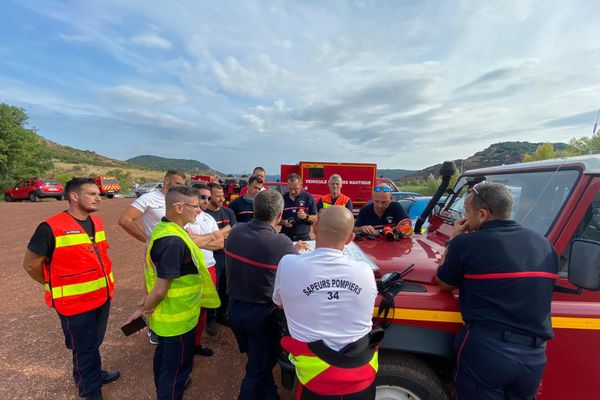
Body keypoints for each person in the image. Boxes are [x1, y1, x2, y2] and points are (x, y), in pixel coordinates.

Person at [436, 182, 558, 400]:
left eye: (466, 211)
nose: (464, 216)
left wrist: (454, 239)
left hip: (487, 349)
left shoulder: (466, 244)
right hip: (534, 355)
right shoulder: (544, 245)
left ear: (482, 214)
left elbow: (444, 282)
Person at [22, 178, 119, 400]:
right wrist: (53, 284)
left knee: (92, 343)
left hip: (101, 296)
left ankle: (92, 374)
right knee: (84, 348)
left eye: (98, 194)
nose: (98, 198)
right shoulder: (50, 227)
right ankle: (90, 390)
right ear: (74, 196)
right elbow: (30, 264)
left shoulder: (98, 222)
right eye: (92, 194)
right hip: (74, 303)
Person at [273, 206, 379, 399]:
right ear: (349, 239)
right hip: (359, 376)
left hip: (315, 379)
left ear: (314, 228)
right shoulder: (365, 270)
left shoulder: (288, 263)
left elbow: (279, 303)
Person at [126, 186, 220, 400]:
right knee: (174, 371)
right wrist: (143, 310)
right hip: (176, 321)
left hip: (178, 317)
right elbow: (160, 288)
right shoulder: (172, 241)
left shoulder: (171, 231)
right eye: (194, 206)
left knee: (166, 363)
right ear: (178, 207)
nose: (199, 210)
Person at [225, 190, 308, 400]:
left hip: (234, 310)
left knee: (257, 360)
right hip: (261, 316)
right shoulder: (281, 243)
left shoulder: (236, 231)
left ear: (253, 210)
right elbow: (299, 272)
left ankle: (270, 395)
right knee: (259, 368)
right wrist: (294, 248)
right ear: (279, 215)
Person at [118, 169, 186, 344]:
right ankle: (152, 328)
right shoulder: (149, 198)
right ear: (167, 181)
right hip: (158, 253)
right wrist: (146, 239)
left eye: (183, 185)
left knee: (173, 289)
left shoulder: (179, 200)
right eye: (177, 183)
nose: (180, 187)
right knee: (154, 289)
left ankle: (172, 325)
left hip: (177, 250)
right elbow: (125, 220)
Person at [186, 184, 224, 355]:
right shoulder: (183, 218)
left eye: (209, 198)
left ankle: (195, 343)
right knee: (188, 310)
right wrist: (210, 238)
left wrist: (198, 240)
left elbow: (220, 243)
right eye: (203, 197)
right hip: (190, 270)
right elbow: (187, 243)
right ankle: (185, 346)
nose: (206, 201)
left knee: (203, 309)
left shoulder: (208, 219)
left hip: (209, 268)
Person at [205, 182, 237, 329]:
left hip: (227, 255)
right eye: (217, 196)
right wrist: (224, 232)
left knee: (225, 287)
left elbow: (233, 232)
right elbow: (205, 237)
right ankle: (210, 319)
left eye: (222, 195)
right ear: (209, 196)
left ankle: (222, 314)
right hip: (212, 257)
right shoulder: (204, 215)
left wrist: (217, 236)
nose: (222, 199)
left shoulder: (228, 212)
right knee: (212, 288)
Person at [280, 173, 318, 241]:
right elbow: (275, 219)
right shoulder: (282, 199)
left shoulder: (308, 198)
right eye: (290, 188)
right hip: (286, 238)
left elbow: (315, 218)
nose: (293, 191)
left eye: (295, 189)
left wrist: (306, 217)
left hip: (304, 238)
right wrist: (284, 222)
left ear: (301, 186)